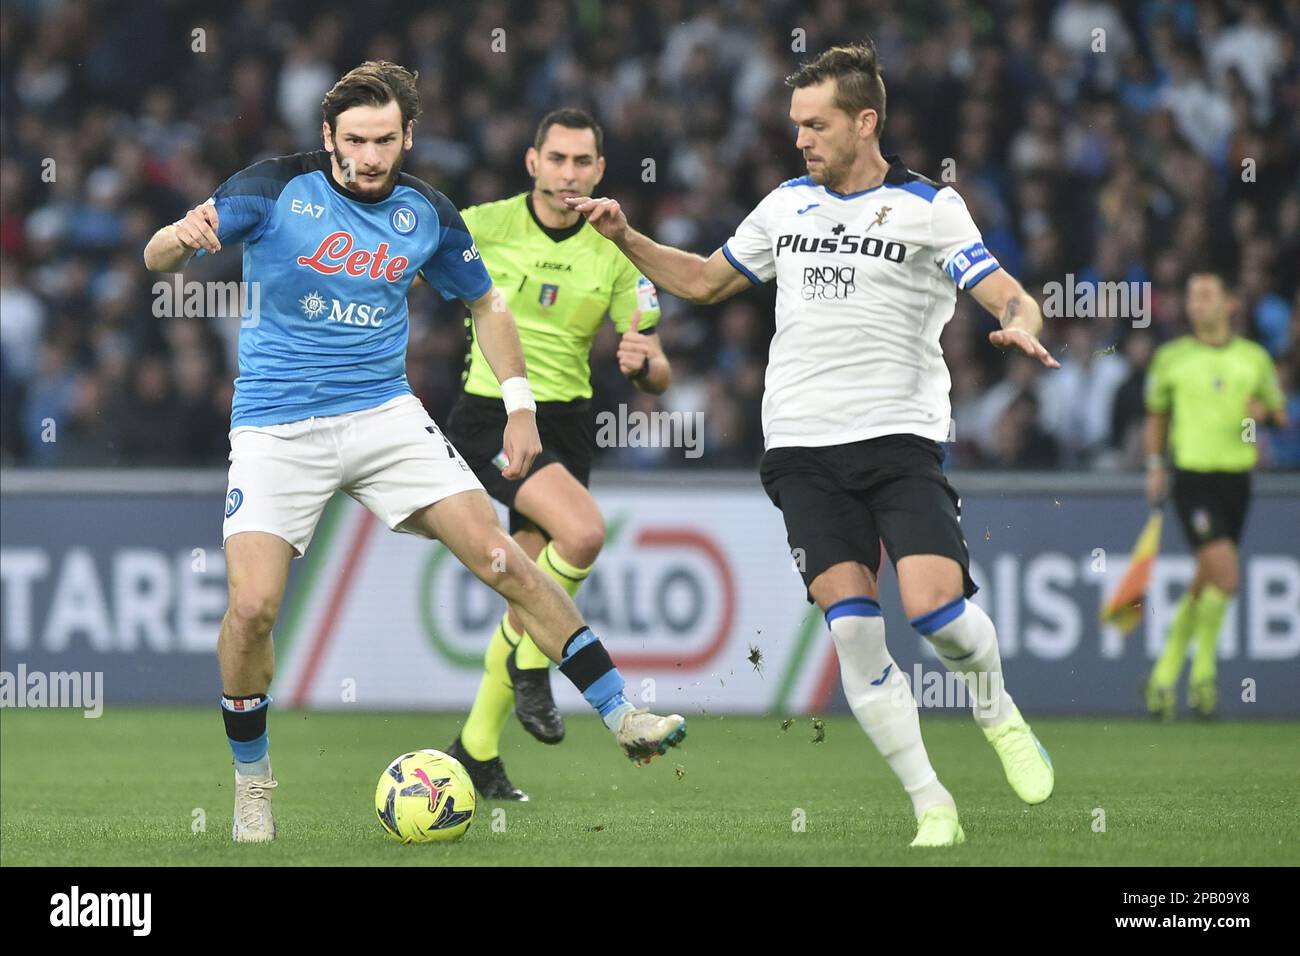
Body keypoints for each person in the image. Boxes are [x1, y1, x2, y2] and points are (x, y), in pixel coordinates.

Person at [142, 61, 685, 843]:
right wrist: (177, 238)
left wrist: (520, 406)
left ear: (408, 137)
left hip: (384, 417)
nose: (369, 157)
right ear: (329, 136)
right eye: (355, 140)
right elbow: (158, 259)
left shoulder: (426, 213)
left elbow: (487, 304)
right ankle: (253, 781)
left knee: (500, 557)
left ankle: (622, 712)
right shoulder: (271, 187)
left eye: (384, 140)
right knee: (253, 608)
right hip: (276, 426)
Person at [568, 42, 1058, 848]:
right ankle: (931, 803)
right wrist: (626, 235)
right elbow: (703, 281)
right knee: (856, 632)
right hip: (801, 448)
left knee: (936, 612)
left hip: (899, 438)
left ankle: (996, 710)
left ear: (865, 122)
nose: (800, 139)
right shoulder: (785, 206)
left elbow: (1008, 294)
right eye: (795, 124)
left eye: (816, 125)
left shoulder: (929, 207)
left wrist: (1021, 325)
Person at [443, 108, 671, 800]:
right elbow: (405, 275)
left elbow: (657, 367)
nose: (569, 173)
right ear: (532, 162)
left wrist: (644, 364)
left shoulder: (615, 249)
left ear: (599, 170)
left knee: (527, 588)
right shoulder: (482, 225)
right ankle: (533, 665)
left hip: (567, 429)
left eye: (582, 162)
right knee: (584, 532)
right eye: (558, 159)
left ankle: (475, 749)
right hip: (492, 414)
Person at [1142, 272, 1287, 719]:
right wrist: (1155, 466)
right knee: (1226, 578)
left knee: (1206, 580)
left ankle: (1162, 678)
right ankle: (1203, 678)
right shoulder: (1172, 358)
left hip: (1237, 480)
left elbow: (1278, 415)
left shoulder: (1253, 359)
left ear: (1230, 304)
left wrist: (1260, 415)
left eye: (1206, 295)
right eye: (1191, 296)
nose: (1196, 304)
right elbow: (1157, 417)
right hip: (1192, 478)